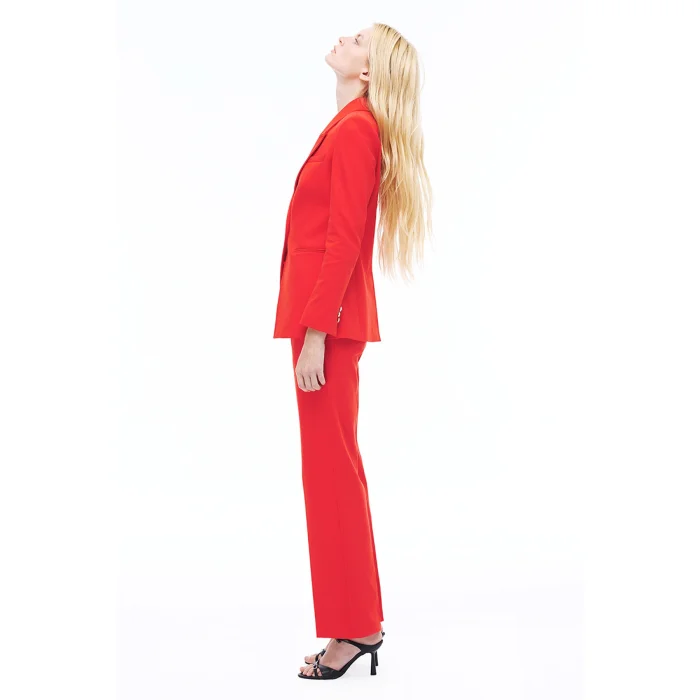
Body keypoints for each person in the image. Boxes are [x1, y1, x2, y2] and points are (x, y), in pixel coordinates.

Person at [272, 22, 432, 680]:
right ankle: (357, 621)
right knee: (332, 473)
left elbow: (342, 242)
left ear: (367, 72)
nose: (345, 38)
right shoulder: (351, 127)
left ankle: (357, 628)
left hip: (327, 329)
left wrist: (316, 333)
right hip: (324, 322)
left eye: (359, 40)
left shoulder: (358, 130)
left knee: (333, 475)